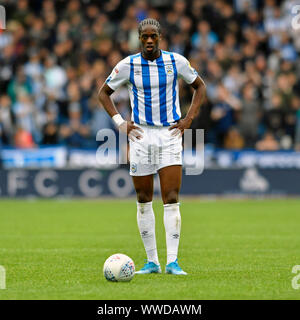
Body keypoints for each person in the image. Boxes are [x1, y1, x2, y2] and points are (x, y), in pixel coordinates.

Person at [98, 18, 206, 275]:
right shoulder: (128, 65)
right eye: (144, 37)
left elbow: (200, 87)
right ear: (138, 38)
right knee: (144, 199)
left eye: (153, 36)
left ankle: (173, 262)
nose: (148, 41)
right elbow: (103, 93)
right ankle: (152, 262)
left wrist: (189, 119)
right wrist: (120, 123)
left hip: (169, 135)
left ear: (160, 37)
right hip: (141, 137)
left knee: (171, 199)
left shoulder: (175, 62)